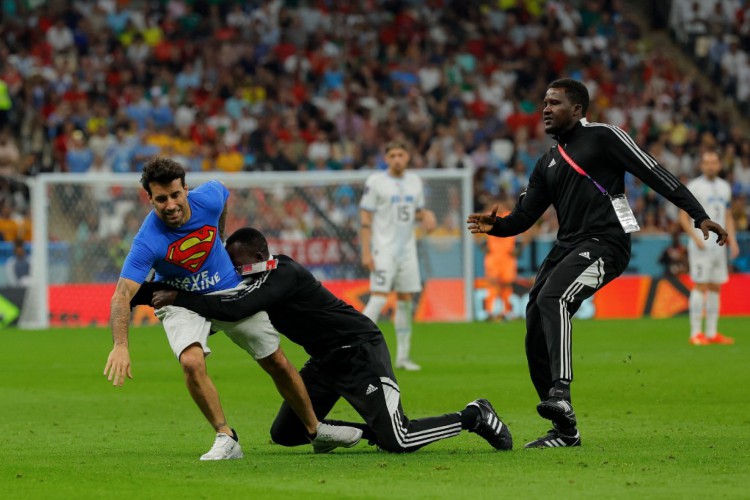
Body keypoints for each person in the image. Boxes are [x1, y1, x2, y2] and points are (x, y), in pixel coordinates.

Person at [466, 79, 728, 449]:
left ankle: (560, 392)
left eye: (554, 102)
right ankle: (564, 430)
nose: (545, 109)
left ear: (577, 110)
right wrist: (499, 226)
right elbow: (525, 216)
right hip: (568, 246)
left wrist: (698, 215)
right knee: (534, 320)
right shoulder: (548, 162)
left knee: (552, 299)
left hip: (607, 243)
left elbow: (653, 171)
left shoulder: (604, 137)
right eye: (544, 102)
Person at [145, 227, 513, 453]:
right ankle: (373, 432)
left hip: (359, 350)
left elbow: (241, 306)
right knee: (287, 433)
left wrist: (179, 298)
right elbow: (230, 299)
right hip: (325, 360)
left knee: (399, 440)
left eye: (238, 265)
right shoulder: (256, 277)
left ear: (259, 257)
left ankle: (473, 416)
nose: (235, 273)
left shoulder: (282, 272)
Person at [104, 157, 361, 460]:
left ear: (186, 188)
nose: (170, 205)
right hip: (179, 300)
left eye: (176, 195)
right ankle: (226, 436)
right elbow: (122, 295)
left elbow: (223, 192)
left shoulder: (209, 199)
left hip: (227, 289)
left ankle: (316, 430)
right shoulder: (148, 240)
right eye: (161, 199)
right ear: (150, 199)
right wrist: (120, 345)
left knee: (275, 360)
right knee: (191, 362)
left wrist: (220, 235)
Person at [359, 140, 436, 371]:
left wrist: (427, 215)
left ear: (408, 157)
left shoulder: (414, 182)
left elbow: (417, 211)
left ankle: (403, 357)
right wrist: (365, 251)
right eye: (392, 155)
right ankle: (354, 349)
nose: (396, 159)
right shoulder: (376, 182)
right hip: (384, 250)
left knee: (405, 303)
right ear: (386, 159)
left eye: (400, 154)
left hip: (407, 251)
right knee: (379, 298)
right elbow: (365, 218)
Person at [679, 150, 740, 345]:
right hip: (701, 245)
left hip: (719, 246)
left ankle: (712, 333)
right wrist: (694, 238)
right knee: (700, 285)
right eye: (707, 162)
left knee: (715, 287)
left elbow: (728, 215)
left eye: (714, 162)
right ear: (702, 165)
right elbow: (683, 216)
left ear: (719, 165)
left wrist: (734, 240)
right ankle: (695, 333)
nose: (711, 166)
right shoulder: (694, 187)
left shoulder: (724, 187)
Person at [482, 198, 518, 321]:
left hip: (507, 257)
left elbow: (530, 230)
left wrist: (519, 248)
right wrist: (482, 246)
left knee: (506, 285)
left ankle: (507, 312)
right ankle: (489, 312)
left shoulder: (511, 215)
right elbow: (475, 232)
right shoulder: (488, 216)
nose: (499, 206)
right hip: (493, 257)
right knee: (492, 284)